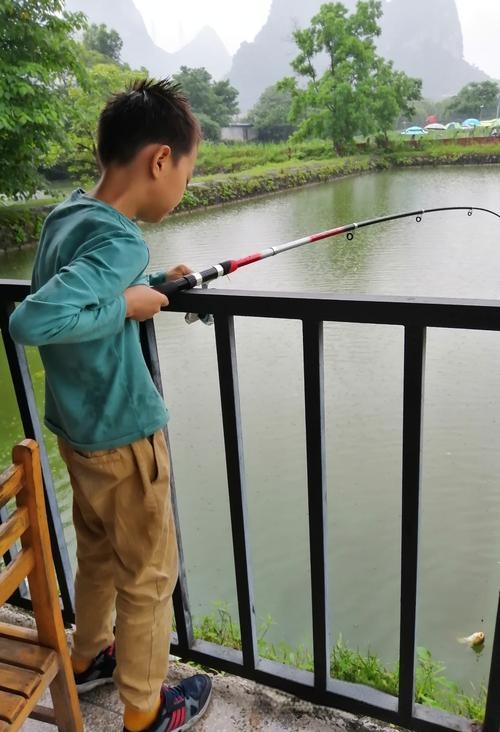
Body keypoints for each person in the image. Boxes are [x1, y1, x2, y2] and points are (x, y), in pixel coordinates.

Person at [9, 78, 212, 732]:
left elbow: (78, 290)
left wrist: (152, 285)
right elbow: (33, 320)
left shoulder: (68, 216)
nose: (182, 190)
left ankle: (89, 653)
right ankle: (145, 711)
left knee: (97, 553)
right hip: (124, 435)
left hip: (78, 433)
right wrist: (128, 302)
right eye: (185, 175)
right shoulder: (122, 238)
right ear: (160, 160)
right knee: (150, 576)